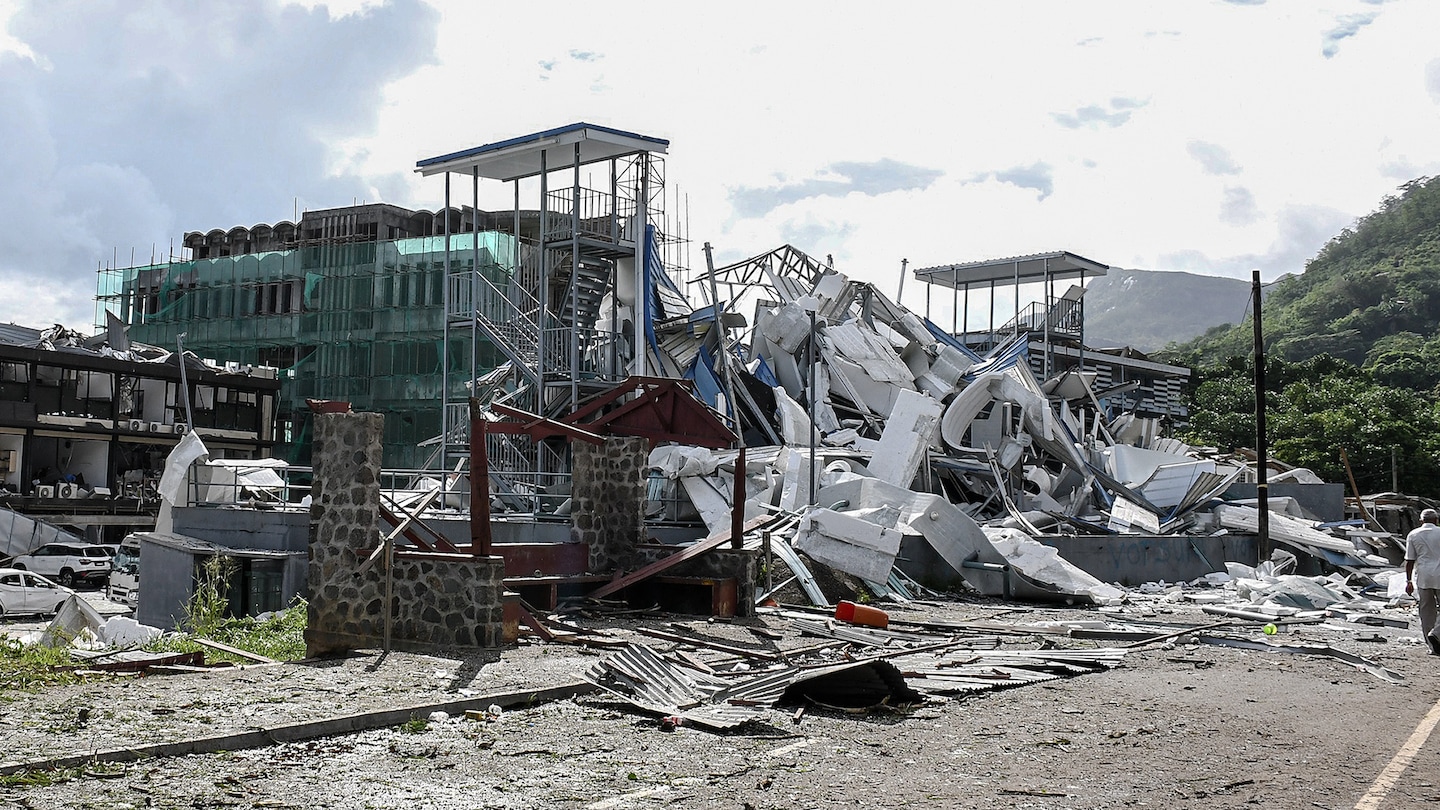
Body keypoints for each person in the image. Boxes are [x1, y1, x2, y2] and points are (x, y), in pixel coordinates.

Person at [1404, 508, 1440, 656]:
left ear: (1421, 521)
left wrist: (1408, 581)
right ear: (1436, 520)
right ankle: (1436, 633)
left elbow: (1409, 560)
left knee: (1426, 611)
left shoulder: (1413, 534)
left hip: (1423, 576)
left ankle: (1431, 646)